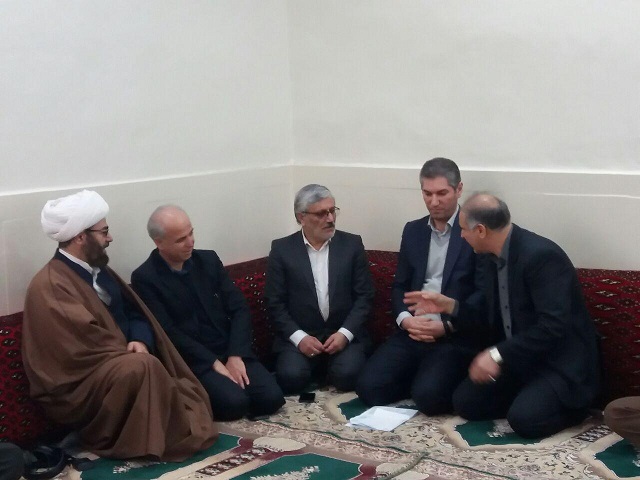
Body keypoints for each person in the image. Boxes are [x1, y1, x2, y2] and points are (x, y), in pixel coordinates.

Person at [22, 190, 217, 461]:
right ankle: (143, 439)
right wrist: (130, 355)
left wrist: (140, 340)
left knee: (176, 384)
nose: (110, 238)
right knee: (145, 367)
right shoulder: (50, 285)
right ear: (80, 237)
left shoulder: (99, 270)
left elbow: (135, 312)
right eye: (104, 232)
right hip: (79, 383)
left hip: (123, 362)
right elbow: (78, 350)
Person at [405, 193, 600, 438]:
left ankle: (574, 408)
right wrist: (449, 306)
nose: (461, 235)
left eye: (464, 229)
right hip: (518, 359)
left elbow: (552, 327)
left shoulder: (541, 256)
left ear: (481, 230)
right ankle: (529, 398)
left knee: (525, 421)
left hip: (557, 362)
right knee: (466, 403)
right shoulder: (489, 258)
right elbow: (486, 315)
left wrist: (496, 354)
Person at [131, 205, 285, 421]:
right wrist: (213, 362)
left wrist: (236, 355)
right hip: (196, 360)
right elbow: (168, 332)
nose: (190, 242)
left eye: (191, 233)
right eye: (181, 239)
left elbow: (239, 308)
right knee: (235, 404)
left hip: (230, 348)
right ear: (159, 243)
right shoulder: (146, 278)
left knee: (272, 398)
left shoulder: (208, 260)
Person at [356, 158, 483, 414]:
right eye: (427, 194)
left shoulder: (474, 233)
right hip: (413, 330)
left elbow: (482, 296)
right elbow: (400, 285)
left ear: (459, 189)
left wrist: (447, 326)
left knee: (429, 399)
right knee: (368, 388)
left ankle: (427, 382)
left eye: (442, 193)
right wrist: (405, 321)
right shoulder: (414, 230)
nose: (434, 202)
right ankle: (420, 378)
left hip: (453, 334)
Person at [265, 184, 374, 394]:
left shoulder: (351, 245)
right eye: (321, 213)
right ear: (301, 217)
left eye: (332, 211)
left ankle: (327, 369)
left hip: (341, 333)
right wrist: (299, 338)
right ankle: (316, 369)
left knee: (348, 375)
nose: (330, 218)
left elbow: (365, 296)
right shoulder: (282, 250)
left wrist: (345, 334)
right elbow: (274, 302)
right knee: (290, 377)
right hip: (302, 335)